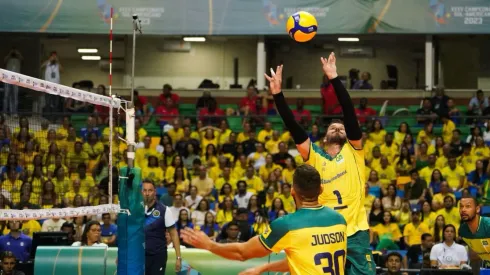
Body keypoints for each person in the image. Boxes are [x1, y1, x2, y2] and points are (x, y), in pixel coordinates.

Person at [263, 52, 374, 274]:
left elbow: (349, 112)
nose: (338, 127)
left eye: (341, 127)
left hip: (355, 233)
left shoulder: (354, 151)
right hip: (324, 233)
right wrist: (277, 95)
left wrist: (334, 78)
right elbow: (294, 127)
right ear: (324, 138)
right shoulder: (314, 156)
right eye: (333, 127)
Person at [181, 164, 347, 275]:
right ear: (321, 189)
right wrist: (264, 268)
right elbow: (307, 259)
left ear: (292, 191)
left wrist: (209, 245)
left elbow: (242, 253)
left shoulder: (287, 225)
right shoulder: (340, 220)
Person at [142, 179, 182, 274]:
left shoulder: (164, 210)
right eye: (145, 190)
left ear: (155, 192)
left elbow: (174, 234)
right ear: (141, 192)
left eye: (150, 190)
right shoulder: (135, 210)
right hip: (139, 256)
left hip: (158, 256)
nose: (147, 193)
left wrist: (178, 258)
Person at [459, 194, 490, 273]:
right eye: (461, 206)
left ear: (477, 209)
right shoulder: (463, 230)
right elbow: (474, 258)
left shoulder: (488, 225)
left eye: (468, 206)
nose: (463, 210)